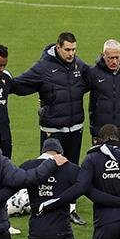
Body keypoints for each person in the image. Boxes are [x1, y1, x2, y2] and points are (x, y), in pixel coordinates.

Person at [12, 33, 91, 225]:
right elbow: (20, 84)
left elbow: (95, 77)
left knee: (72, 167)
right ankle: (44, 205)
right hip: (52, 128)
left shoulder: (78, 65)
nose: (71, 54)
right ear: (58, 47)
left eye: (74, 49)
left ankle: (70, 208)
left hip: (76, 126)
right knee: (49, 167)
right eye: (67, 50)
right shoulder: (43, 67)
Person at [85, 40, 120, 147]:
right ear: (103, 56)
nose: (114, 61)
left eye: (117, 57)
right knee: (99, 162)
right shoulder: (93, 74)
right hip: (100, 132)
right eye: (111, 58)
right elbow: (76, 89)